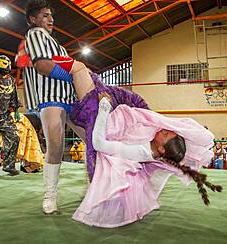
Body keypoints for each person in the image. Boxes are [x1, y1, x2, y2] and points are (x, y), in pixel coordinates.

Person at [22, 0, 148, 215]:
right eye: (45, 15)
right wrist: (73, 72)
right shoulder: (34, 35)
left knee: (96, 141)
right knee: (56, 146)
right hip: (51, 97)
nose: (51, 19)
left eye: (51, 15)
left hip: (72, 100)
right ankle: (50, 196)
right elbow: (42, 65)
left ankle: (95, 186)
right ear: (33, 19)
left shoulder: (56, 44)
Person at [72, 96, 221, 228]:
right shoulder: (151, 144)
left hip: (101, 139)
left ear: (162, 149)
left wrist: (104, 107)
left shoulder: (138, 151)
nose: (163, 130)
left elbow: (99, 144)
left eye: (166, 134)